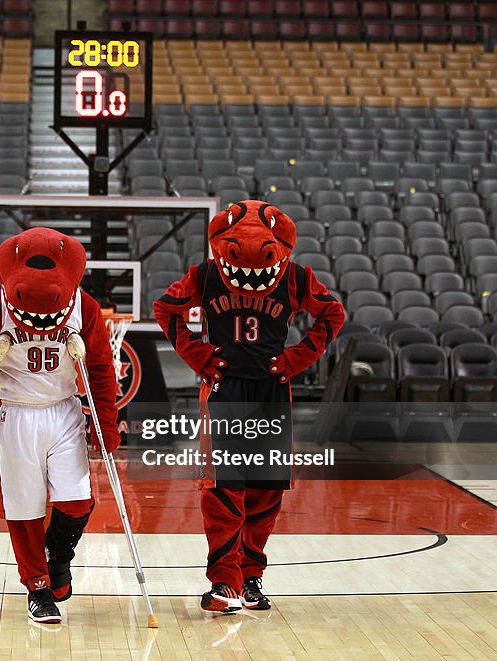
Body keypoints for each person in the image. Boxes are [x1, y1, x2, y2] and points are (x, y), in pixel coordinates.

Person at [154, 200, 345, 612]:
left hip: (272, 390)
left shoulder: (295, 276)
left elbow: (333, 313)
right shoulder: (205, 275)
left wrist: (298, 358)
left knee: (266, 489)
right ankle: (225, 582)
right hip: (224, 389)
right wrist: (199, 356)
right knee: (223, 489)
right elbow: (166, 308)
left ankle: (252, 578)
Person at [0, 227, 120, 623]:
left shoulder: (86, 308)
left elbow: (100, 368)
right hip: (14, 413)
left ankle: (58, 560)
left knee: (76, 500)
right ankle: (38, 588)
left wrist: (106, 422)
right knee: (24, 509)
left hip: (64, 410)